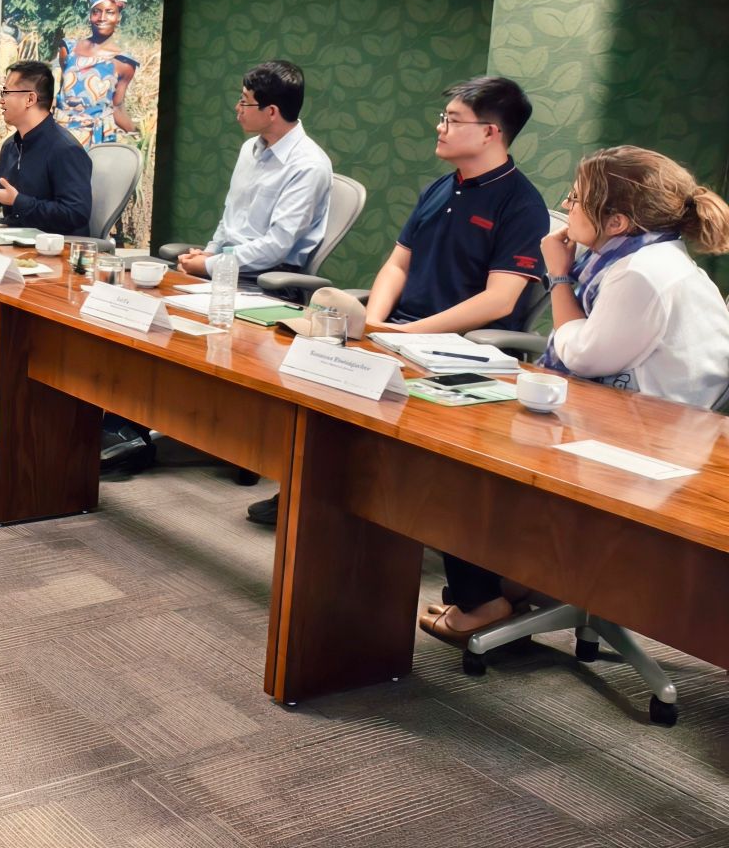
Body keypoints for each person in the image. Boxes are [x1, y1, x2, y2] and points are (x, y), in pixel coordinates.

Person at [422, 146, 729, 645]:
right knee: (473, 433)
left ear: (617, 222)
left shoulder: (643, 273)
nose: (567, 205)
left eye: (578, 198)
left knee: (461, 456)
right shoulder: (642, 256)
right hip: (641, 424)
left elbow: (583, 355)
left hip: (643, 445)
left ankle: (481, 602)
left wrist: (559, 274)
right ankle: (509, 582)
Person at [248, 75, 547, 525]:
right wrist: (372, 323)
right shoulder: (440, 188)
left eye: (453, 120)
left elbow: (499, 301)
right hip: (400, 330)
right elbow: (397, 266)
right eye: (443, 117)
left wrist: (405, 334)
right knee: (306, 360)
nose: (440, 127)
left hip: (458, 348)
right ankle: (309, 489)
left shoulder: (521, 204)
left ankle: (360, 505)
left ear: (491, 132)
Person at [0, 61, 92, 391]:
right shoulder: (12, 144)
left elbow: (77, 213)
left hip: (54, 257)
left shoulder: (65, 149)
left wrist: (20, 202)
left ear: (30, 98)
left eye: (6, 91)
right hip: (17, 246)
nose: (1, 99)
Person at [175, 60, 334, 279]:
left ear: (271, 112)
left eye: (244, 101)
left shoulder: (309, 166)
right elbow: (230, 218)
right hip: (227, 268)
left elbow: (276, 247)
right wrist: (209, 253)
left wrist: (210, 265)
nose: (237, 108)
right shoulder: (249, 149)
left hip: (267, 279)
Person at [52, 0, 139, 146]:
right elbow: (62, 93)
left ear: (118, 18)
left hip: (97, 139)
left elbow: (117, 106)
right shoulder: (69, 49)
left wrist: (137, 136)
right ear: (90, 16)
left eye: (110, 12)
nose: (102, 18)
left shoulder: (124, 63)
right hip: (62, 134)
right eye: (96, 12)